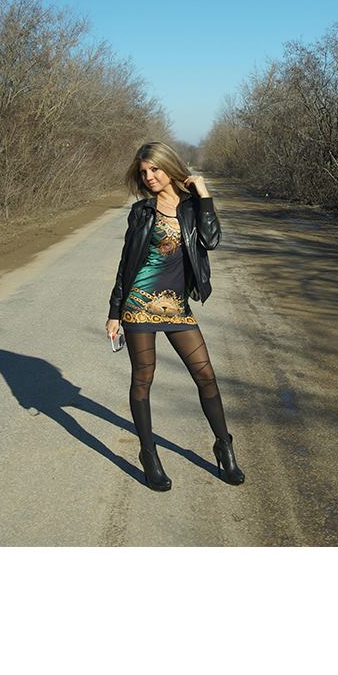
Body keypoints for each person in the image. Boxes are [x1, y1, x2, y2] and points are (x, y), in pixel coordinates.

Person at [105, 142, 245, 491]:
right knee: (143, 379)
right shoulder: (141, 212)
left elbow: (211, 240)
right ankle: (148, 454)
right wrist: (114, 312)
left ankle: (223, 447)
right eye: (143, 173)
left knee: (206, 376)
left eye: (154, 169)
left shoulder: (193, 207)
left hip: (176, 306)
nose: (149, 177)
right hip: (139, 303)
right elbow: (127, 263)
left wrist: (205, 195)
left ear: (169, 167)